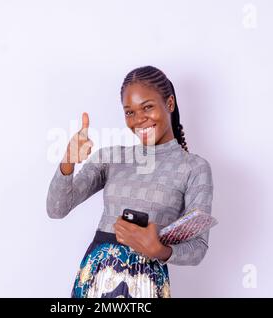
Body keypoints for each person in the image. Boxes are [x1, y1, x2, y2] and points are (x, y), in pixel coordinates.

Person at [46, 65, 214, 298]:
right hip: (96, 280)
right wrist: (67, 162)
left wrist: (160, 250)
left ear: (170, 104)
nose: (139, 119)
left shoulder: (194, 168)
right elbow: (57, 209)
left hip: (146, 284)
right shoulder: (112, 157)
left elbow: (198, 249)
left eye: (147, 107)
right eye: (129, 112)